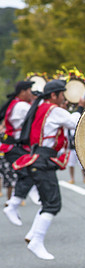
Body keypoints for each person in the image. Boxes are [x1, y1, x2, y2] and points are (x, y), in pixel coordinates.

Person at [12, 80, 85, 260]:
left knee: (47, 201)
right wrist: (80, 107)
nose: (64, 97)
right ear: (54, 95)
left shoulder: (40, 107)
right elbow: (73, 123)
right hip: (42, 161)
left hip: (37, 158)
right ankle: (36, 240)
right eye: (62, 93)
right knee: (53, 204)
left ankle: (32, 235)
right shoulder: (53, 110)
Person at [1, 81, 36, 225]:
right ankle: (12, 205)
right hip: (13, 148)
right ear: (22, 92)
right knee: (28, 175)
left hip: (15, 148)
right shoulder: (21, 106)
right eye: (29, 90)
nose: (31, 93)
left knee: (33, 170)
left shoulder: (16, 103)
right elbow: (38, 115)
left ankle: (33, 194)